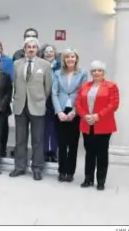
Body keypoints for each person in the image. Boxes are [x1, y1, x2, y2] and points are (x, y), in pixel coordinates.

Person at [10, 37, 52, 181]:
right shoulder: (16, 64)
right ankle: (19, 167)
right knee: (20, 139)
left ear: (37, 49)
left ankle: (37, 168)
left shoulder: (45, 65)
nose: (31, 49)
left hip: (37, 105)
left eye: (34, 47)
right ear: (24, 49)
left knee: (37, 139)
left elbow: (48, 88)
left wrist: (40, 100)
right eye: (28, 47)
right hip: (20, 105)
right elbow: (15, 83)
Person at [75, 61, 119, 191]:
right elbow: (78, 103)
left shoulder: (111, 86)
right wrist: (85, 116)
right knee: (89, 153)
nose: (96, 73)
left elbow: (113, 104)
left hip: (103, 124)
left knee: (101, 153)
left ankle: (100, 181)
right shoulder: (84, 86)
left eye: (99, 70)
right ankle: (88, 179)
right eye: (94, 71)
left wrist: (97, 116)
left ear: (103, 72)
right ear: (91, 73)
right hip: (87, 123)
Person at [52, 48, 87, 182]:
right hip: (60, 110)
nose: (70, 59)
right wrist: (59, 111)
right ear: (64, 60)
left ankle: (70, 172)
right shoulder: (57, 73)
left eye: (72, 56)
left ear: (76, 58)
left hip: (75, 110)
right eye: (67, 57)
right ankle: (61, 171)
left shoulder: (82, 73)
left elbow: (83, 94)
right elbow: (54, 93)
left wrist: (75, 111)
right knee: (61, 143)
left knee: (73, 144)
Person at [40, 44, 61, 162]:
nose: (49, 53)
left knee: (54, 128)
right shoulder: (39, 65)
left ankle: (53, 152)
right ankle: (43, 152)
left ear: (55, 54)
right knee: (42, 128)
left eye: (51, 51)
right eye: (46, 51)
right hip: (42, 99)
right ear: (43, 53)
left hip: (55, 100)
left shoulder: (60, 67)